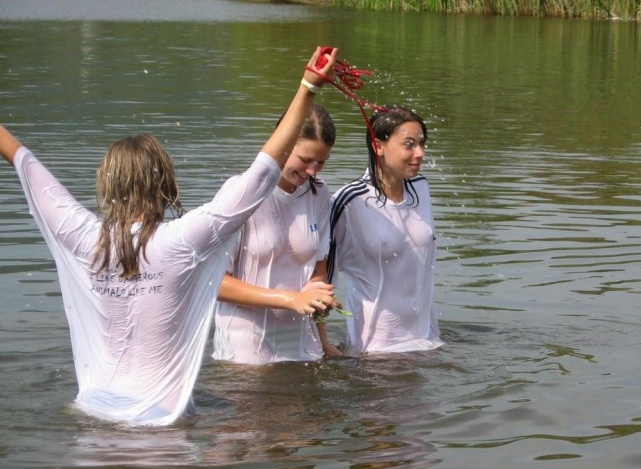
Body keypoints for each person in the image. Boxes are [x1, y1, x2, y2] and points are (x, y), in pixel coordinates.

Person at [0, 47, 339, 426]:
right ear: (168, 186)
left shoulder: (83, 237)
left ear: (106, 185)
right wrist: (307, 87)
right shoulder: (181, 241)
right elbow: (262, 174)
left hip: (94, 412)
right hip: (161, 419)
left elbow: (23, 162)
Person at [213, 103, 341, 364]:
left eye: (321, 162)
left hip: (302, 343)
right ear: (282, 141)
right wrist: (290, 299)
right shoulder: (241, 192)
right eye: (305, 160)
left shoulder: (319, 193)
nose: (312, 171)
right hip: (246, 347)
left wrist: (325, 340)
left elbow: (318, 269)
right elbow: (214, 282)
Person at [325, 105, 442, 355]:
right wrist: (323, 344)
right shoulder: (350, 200)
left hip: (427, 341)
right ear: (378, 146)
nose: (420, 153)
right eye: (409, 144)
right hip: (375, 351)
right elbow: (322, 275)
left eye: (422, 143)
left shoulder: (421, 187)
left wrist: (432, 336)